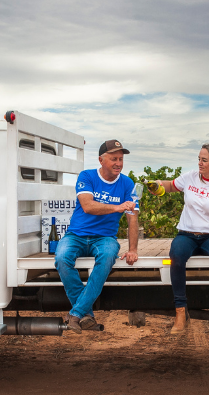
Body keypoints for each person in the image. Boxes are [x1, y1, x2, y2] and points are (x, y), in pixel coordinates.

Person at [148, 143, 209, 334]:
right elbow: (171, 186)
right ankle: (181, 312)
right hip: (187, 234)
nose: (200, 163)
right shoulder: (190, 177)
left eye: (204, 160)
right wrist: (157, 185)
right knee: (176, 255)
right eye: (199, 158)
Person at [54, 139, 140, 333]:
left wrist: (133, 249)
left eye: (121, 159)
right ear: (101, 159)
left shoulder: (127, 183)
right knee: (61, 258)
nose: (118, 163)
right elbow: (88, 205)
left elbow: (132, 217)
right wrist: (117, 207)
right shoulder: (87, 176)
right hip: (76, 235)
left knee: (108, 257)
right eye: (114, 159)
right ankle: (86, 315)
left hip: (104, 238)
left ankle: (76, 315)